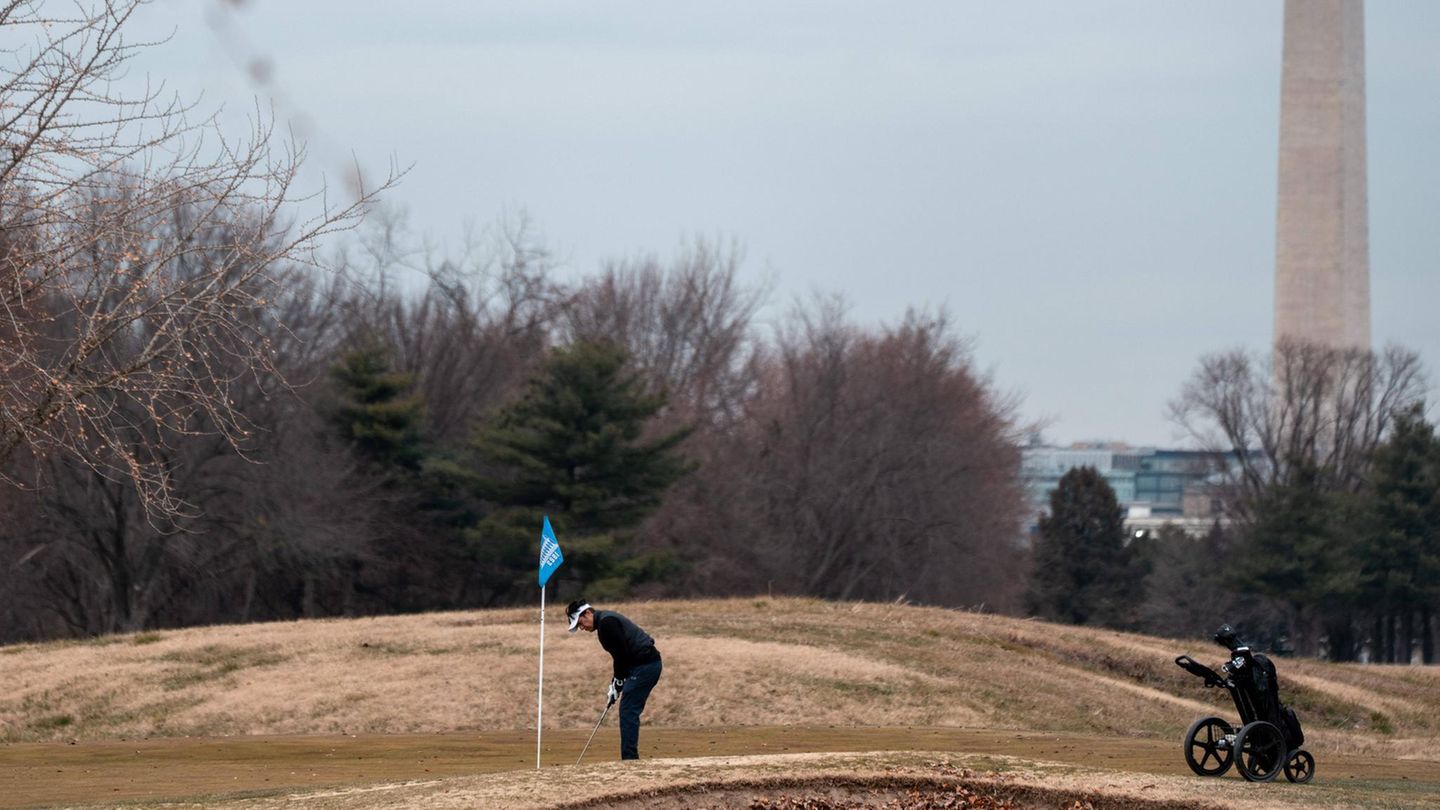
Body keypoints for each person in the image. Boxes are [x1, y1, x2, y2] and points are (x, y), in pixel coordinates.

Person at [566, 599, 663, 760]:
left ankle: (629, 759)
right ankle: (629, 757)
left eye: (580, 622)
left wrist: (618, 681)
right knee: (628, 708)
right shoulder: (605, 621)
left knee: (628, 709)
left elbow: (621, 655)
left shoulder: (607, 623)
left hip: (646, 665)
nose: (581, 627)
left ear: (588, 613)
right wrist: (615, 683)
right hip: (641, 665)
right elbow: (620, 658)